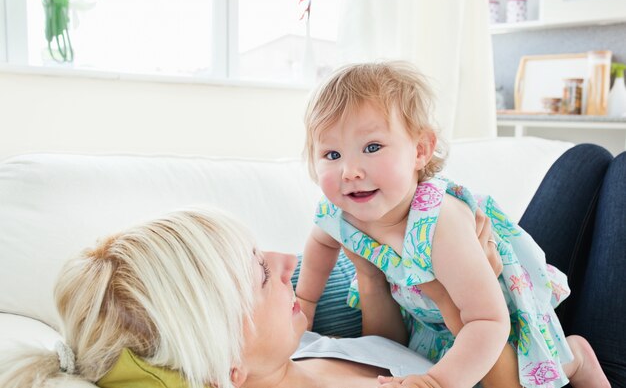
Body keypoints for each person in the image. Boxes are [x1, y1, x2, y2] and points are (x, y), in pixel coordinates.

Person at [0, 144, 623, 388]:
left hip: (521, 315)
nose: (287, 261)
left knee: (588, 166)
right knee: (611, 177)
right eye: (260, 274)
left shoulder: (298, 349)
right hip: (533, 362)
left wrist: (375, 275)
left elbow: (391, 344)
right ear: (227, 361)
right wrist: (467, 285)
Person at [294, 62, 611, 388]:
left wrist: (435, 383)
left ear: (420, 150)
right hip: (430, 316)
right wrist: (305, 304)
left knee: (519, 377)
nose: (350, 171)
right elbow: (321, 243)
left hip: (495, 308)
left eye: (372, 148)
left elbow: (489, 319)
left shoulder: (439, 222)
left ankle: (575, 358)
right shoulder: (338, 212)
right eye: (332, 155)